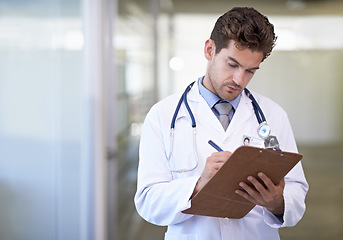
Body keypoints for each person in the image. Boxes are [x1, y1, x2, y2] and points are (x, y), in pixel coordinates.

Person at [134, 7, 308, 240]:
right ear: (210, 50)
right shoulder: (162, 115)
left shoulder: (273, 115)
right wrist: (197, 185)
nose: (239, 80)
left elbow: (297, 191)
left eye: (250, 71)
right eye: (232, 64)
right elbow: (147, 202)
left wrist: (278, 202)